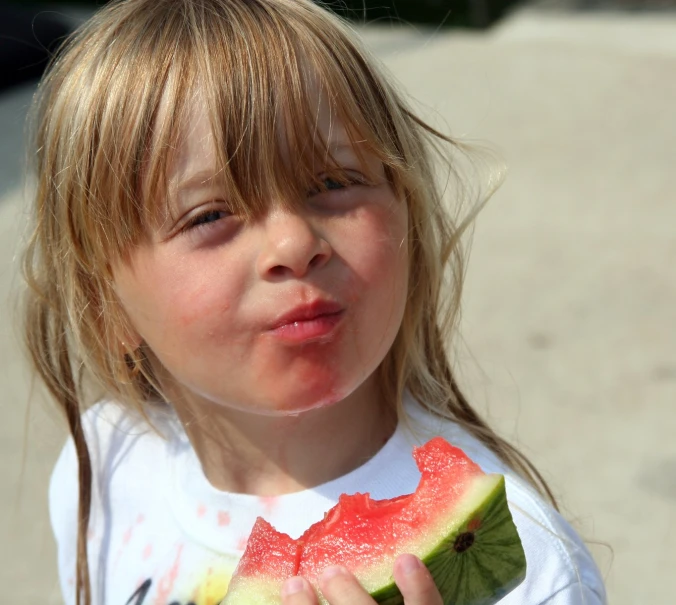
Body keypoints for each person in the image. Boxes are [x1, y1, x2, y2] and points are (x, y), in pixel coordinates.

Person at [21, 1, 607, 604]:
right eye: (211, 214)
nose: (294, 244)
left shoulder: (520, 561)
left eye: (331, 183)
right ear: (108, 305)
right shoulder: (106, 468)